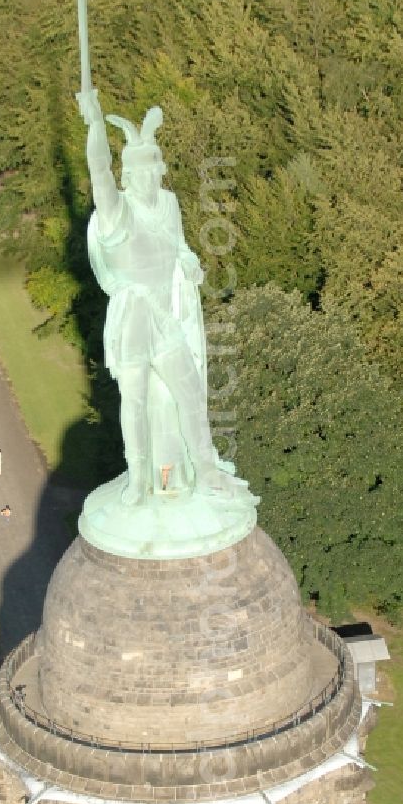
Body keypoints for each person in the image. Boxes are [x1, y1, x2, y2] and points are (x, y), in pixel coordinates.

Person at [76, 90, 240, 506]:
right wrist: (95, 125)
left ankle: (204, 468)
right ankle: (138, 477)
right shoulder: (118, 214)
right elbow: (99, 172)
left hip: (166, 320)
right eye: (141, 173)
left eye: (155, 170)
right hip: (133, 319)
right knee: (133, 401)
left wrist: (189, 263)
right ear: (128, 177)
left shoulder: (169, 204)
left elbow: (179, 246)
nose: (150, 179)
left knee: (190, 392)